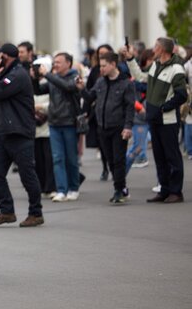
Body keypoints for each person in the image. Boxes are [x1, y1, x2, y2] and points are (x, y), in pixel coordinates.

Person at [122, 37, 188, 203]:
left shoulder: (177, 69)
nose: (153, 49)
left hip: (168, 120)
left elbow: (182, 95)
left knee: (172, 156)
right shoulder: (156, 65)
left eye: (156, 47)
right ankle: (164, 190)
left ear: (164, 50)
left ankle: (176, 192)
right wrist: (130, 59)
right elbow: (140, 77)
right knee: (159, 156)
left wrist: (164, 107)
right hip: (155, 118)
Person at [0, 43, 43, 227]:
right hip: (3, 133)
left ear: (6, 57)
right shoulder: (6, 73)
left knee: (27, 175)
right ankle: (7, 211)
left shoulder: (17, 74)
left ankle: (36, 213)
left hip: (20, 132)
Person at [78, 52, 136, 204]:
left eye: (104, 66)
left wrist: (128, 126)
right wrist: (82, 89)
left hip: (118, 127)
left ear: (113, 65)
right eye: (100, 66)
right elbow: (90, 97)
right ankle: (122, 187)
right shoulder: (100, 82)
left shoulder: (126, 83)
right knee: (110, 160)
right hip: (102, 127)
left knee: (118, 160)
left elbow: (130, 107)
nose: (101, 69)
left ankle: (118, 190)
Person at [36, 52, 82, 202]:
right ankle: (61, 189)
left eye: (59, 62)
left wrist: (48, 75)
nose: (55, 64)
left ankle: (73, 188)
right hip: (54, 123)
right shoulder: (53, 79)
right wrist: (33, 76)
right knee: (57, 158)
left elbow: (67, 87)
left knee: (71, 158)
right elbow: (38, 90)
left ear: (68, 63)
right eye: (54, 62)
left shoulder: (74, 77)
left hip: (69, 122)